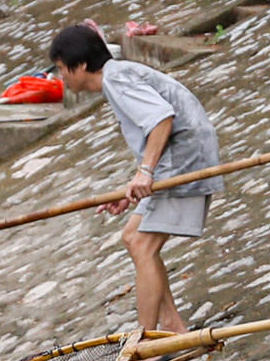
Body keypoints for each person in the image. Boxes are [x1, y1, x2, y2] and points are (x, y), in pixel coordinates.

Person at [48, 24, 223, 336]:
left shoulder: (117, 78)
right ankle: (172, 329)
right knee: (133, 236)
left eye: (62, 69)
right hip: (178, 155)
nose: (62, 78)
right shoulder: (118, 77)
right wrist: (134, 189)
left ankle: (148, 340)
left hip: (185, 157)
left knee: (142, 244)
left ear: (82, 65)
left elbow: (161, 119)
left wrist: (145, 173)